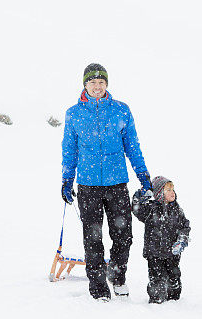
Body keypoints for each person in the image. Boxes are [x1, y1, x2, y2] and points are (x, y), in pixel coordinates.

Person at [60, 63, 152, 301]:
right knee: (93, 237)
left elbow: (132, 145)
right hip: (88, 184)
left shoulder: (121, 110)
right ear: (85, 85)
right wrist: (67, 179)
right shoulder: (74, 114)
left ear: (107, 85)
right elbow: (69, 150)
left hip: (117, 182)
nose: (97, 86)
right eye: (93, 82)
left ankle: (118, 276)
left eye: (101, 82)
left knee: (124, 234)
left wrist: (143, 175)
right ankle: (98, 286)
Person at [131, 176, 191, 304]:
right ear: (158, 193)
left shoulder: (177, 210)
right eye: (168, 190)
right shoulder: (150, 209)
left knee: (174, 278)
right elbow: (136, 210)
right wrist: (138, 197)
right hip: (154, 253)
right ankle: (156, 300)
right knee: (156, 280)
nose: (172, 192)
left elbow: (185, 226)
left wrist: (182, 239)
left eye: (173, 189)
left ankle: (174, 300)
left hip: (172, 253)